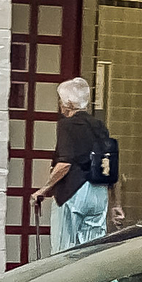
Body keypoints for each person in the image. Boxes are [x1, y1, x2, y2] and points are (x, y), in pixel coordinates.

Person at [34, 76, 116, 252]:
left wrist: (44, 189)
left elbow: (65, 163)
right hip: (98, 193)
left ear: (68, 103)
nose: (59, 104)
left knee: (63, 253)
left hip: (73, 192)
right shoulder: (99, 125)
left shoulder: (67, 125)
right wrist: (116, 203)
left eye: (60, 100)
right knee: (92, 253)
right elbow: (109, 163)